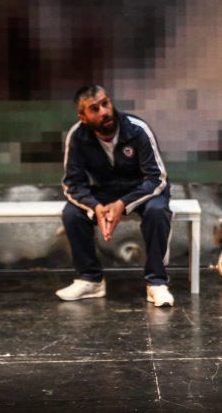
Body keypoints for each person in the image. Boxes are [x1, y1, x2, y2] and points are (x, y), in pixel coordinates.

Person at [56, 84, 174, 307]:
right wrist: (96, 206)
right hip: (107, 191)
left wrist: (122, 204)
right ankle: (90, 279)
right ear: (83, 117)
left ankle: (156, 282)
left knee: (157, 210)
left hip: (143, 190)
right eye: (95, 108)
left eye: (105, 103)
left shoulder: (137, 129)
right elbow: (73, 185)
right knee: (72, 214)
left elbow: (156, 179)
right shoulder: (77, 136)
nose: (104, 112)